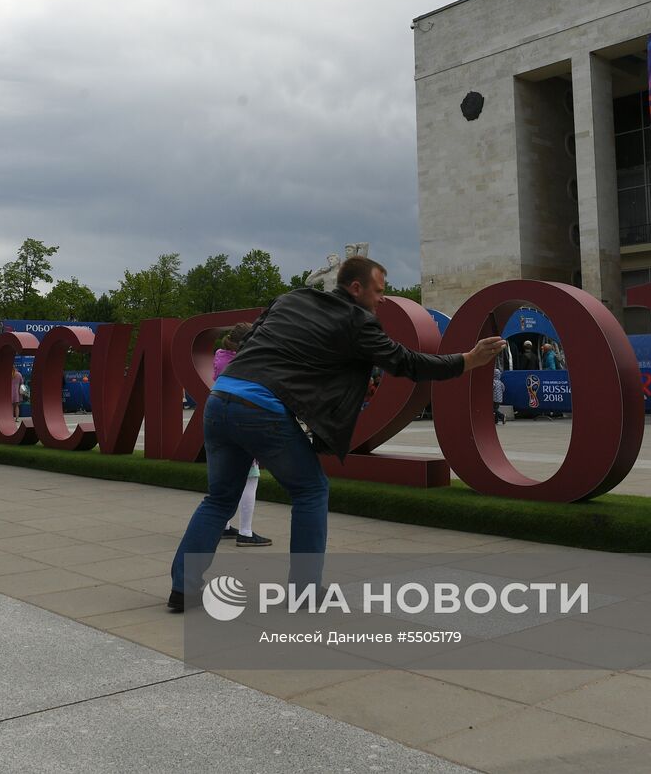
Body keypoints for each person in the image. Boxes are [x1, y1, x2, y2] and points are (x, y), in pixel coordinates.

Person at [167, 256, 506, 612]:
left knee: (219, 500)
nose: (383, 300)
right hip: (259, 409)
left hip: (219, 401)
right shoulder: (358, 321)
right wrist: (466, 360)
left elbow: (254, 338)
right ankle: (305, 591)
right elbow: (405, 361)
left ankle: (182, 589)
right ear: (355, 287)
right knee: (311, 489)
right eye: (378, 291)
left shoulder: (291, 298)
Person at [213, 322, 271, 547]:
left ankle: (224, 526)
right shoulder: (250, 362)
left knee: (227, 478)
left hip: (219, 421)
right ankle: (246, 532)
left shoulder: (220, 357)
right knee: (250, 478)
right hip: (244, 422)